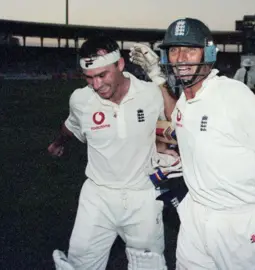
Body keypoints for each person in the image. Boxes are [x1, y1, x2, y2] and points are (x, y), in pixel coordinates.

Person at [130, 18, 255, 269]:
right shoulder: (186, 97)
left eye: (189, 49)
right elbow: (178, 119)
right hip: (194, 215)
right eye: (174, 50)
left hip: (237, 223)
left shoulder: (234, 96)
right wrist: (156, 78)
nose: (180, 58)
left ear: (209, 53)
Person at [47, 35, 173, 270]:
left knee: (149, 266)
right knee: (80, 264)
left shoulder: (150, 94)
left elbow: (178, 121)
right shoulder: (80, 100)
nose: (96, 85)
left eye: (102, 75)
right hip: (97, 197)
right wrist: (58, 142)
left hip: (143, 197)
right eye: (89, 78)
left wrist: (158, 77)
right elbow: (71, 125)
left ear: (120, 65)